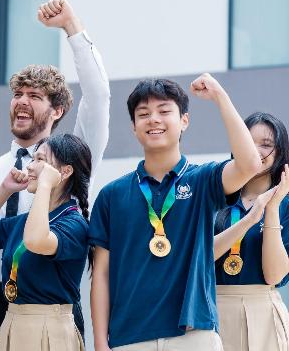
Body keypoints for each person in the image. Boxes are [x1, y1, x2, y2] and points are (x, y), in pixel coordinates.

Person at [0, 0, 110, 351]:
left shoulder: (72, 161)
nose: (21, 101)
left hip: (51, 308)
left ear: (57, 110)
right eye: (17, 94)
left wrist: (72, 28)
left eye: (34, 96)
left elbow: (98, 97)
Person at [89, 75, 262, 351]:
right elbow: (102, 273)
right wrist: (100, 342)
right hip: (128, 338)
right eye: (143, 114)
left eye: (164, 111)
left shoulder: (202, 180)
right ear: (134, 127)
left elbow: (250, 164)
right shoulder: (112, 194)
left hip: (194, 335)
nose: (154, 119)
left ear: (184, 120)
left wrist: (219, 96)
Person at [0, 134, 92, 350]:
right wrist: (5, 189)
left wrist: (44, 185)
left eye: (40, 160)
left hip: (50, 327)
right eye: (33, 159)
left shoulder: (74, 223)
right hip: (12, 320)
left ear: (65, 172)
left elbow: (35, 241)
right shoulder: (25, 221)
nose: (31, 166)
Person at [213, 112, 289, 351]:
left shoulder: (286, 204)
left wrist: (272, 207)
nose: (255, 150)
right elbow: (199, 257)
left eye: (266, 144)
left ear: (280, 152)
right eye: (247, 141)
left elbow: (274, 276)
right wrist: (248, 220)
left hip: (263, 311)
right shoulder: (214, 195)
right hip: (210, 307)